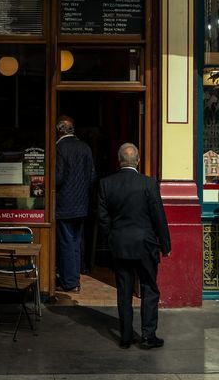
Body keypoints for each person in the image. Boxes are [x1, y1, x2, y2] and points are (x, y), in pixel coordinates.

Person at [98, 142, 171, 350]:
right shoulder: (148, 184)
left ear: (119, 160)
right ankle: (148, 336)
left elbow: (103, 219)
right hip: (145, 245)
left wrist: (111, 239)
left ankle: (126, 336)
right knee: (149, 288)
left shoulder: (106, 183)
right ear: (137, 161)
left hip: (120, 246)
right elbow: (159, 216)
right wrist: (165, 244)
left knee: (124, 291)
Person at [55, 115, 96, 293]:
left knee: (66, 242)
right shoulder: (84, 147)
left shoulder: (59, 148)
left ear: (58, 130)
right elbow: (92, 176)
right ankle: (75, 277)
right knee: (76, 241)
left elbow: (58, 177)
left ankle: (69, 282)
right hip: (81, 203)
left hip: (64, 203)